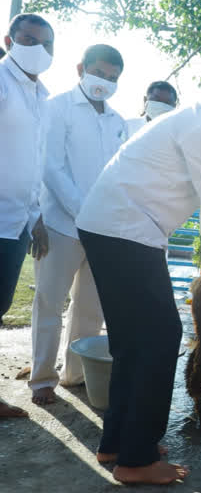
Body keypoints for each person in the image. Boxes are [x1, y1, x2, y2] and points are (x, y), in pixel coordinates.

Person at [74, 75, 201, 485]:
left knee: (134, 343)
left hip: (118, 225)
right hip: (124, 226)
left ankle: (119, 442)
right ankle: (136, 459)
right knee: (160, 337)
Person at [29, 44, 126, 406]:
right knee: (49, 303)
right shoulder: (58, 108)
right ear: (81, 68)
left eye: (113, 78)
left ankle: (75, 373)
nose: (105, 82)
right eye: (99, 73)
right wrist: (82, 212)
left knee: (89, 308)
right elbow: (50, 167)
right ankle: (42, 379)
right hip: (60, 225)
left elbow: (117, 177)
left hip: (102, 231)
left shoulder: (117, 122)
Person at [0, 13, 54, 418]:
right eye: (29, 40)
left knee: (0, 303)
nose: (38, 49)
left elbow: (34, 163)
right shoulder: (2, 83)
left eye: (46, 44)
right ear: (8, 40)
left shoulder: (41, 96)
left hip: (18, 220)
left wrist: (36, 217)